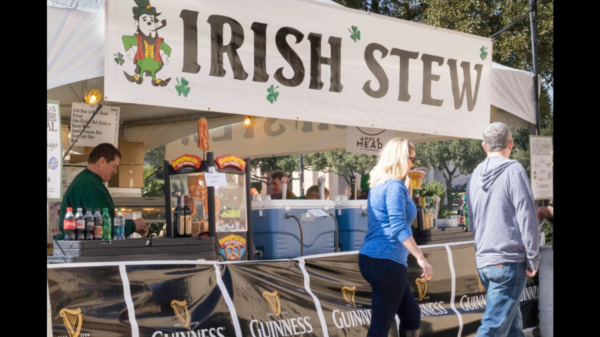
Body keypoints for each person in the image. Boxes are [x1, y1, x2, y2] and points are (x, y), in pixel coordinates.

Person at [466, 122, 539, 337]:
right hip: (508, 261)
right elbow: (527, 216)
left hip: (485, 261)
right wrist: (533, 257)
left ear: (484, 147)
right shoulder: (514, 170)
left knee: (512, 327)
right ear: (511, 144)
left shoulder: (474, 175)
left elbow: (473, 219)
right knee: (493, 328)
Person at [358, 137, 433, 337]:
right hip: (386, 260)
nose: (413, 163)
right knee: (381, 325)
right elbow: (399, 226)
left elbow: (400, 219)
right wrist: (421, 258)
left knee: (410, 315)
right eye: (411, 158)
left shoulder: (382, 184)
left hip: (376, 258)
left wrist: (409, 182)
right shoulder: (392, 186)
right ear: (400, 158)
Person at [56, 143, 149, 240]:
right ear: (102, 161)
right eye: (114, 166)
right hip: (86, 250)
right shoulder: (90, 184)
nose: (115, 171)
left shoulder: (84, 180)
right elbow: (103, 229)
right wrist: (133, 225)